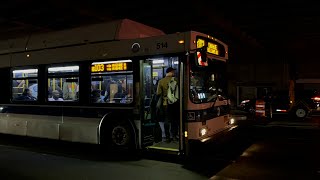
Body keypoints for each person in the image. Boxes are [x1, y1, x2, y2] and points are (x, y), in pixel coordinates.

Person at [156, 67, 179, 142]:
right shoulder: (175, 80)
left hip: (165, 103)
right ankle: (174, 136)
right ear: (171, 72)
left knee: (167, 120)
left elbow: (158, 93)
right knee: (174, 120)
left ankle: (167, 137)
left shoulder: (161, 81)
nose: (174, 73)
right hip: (175, 103)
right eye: (173, 71)